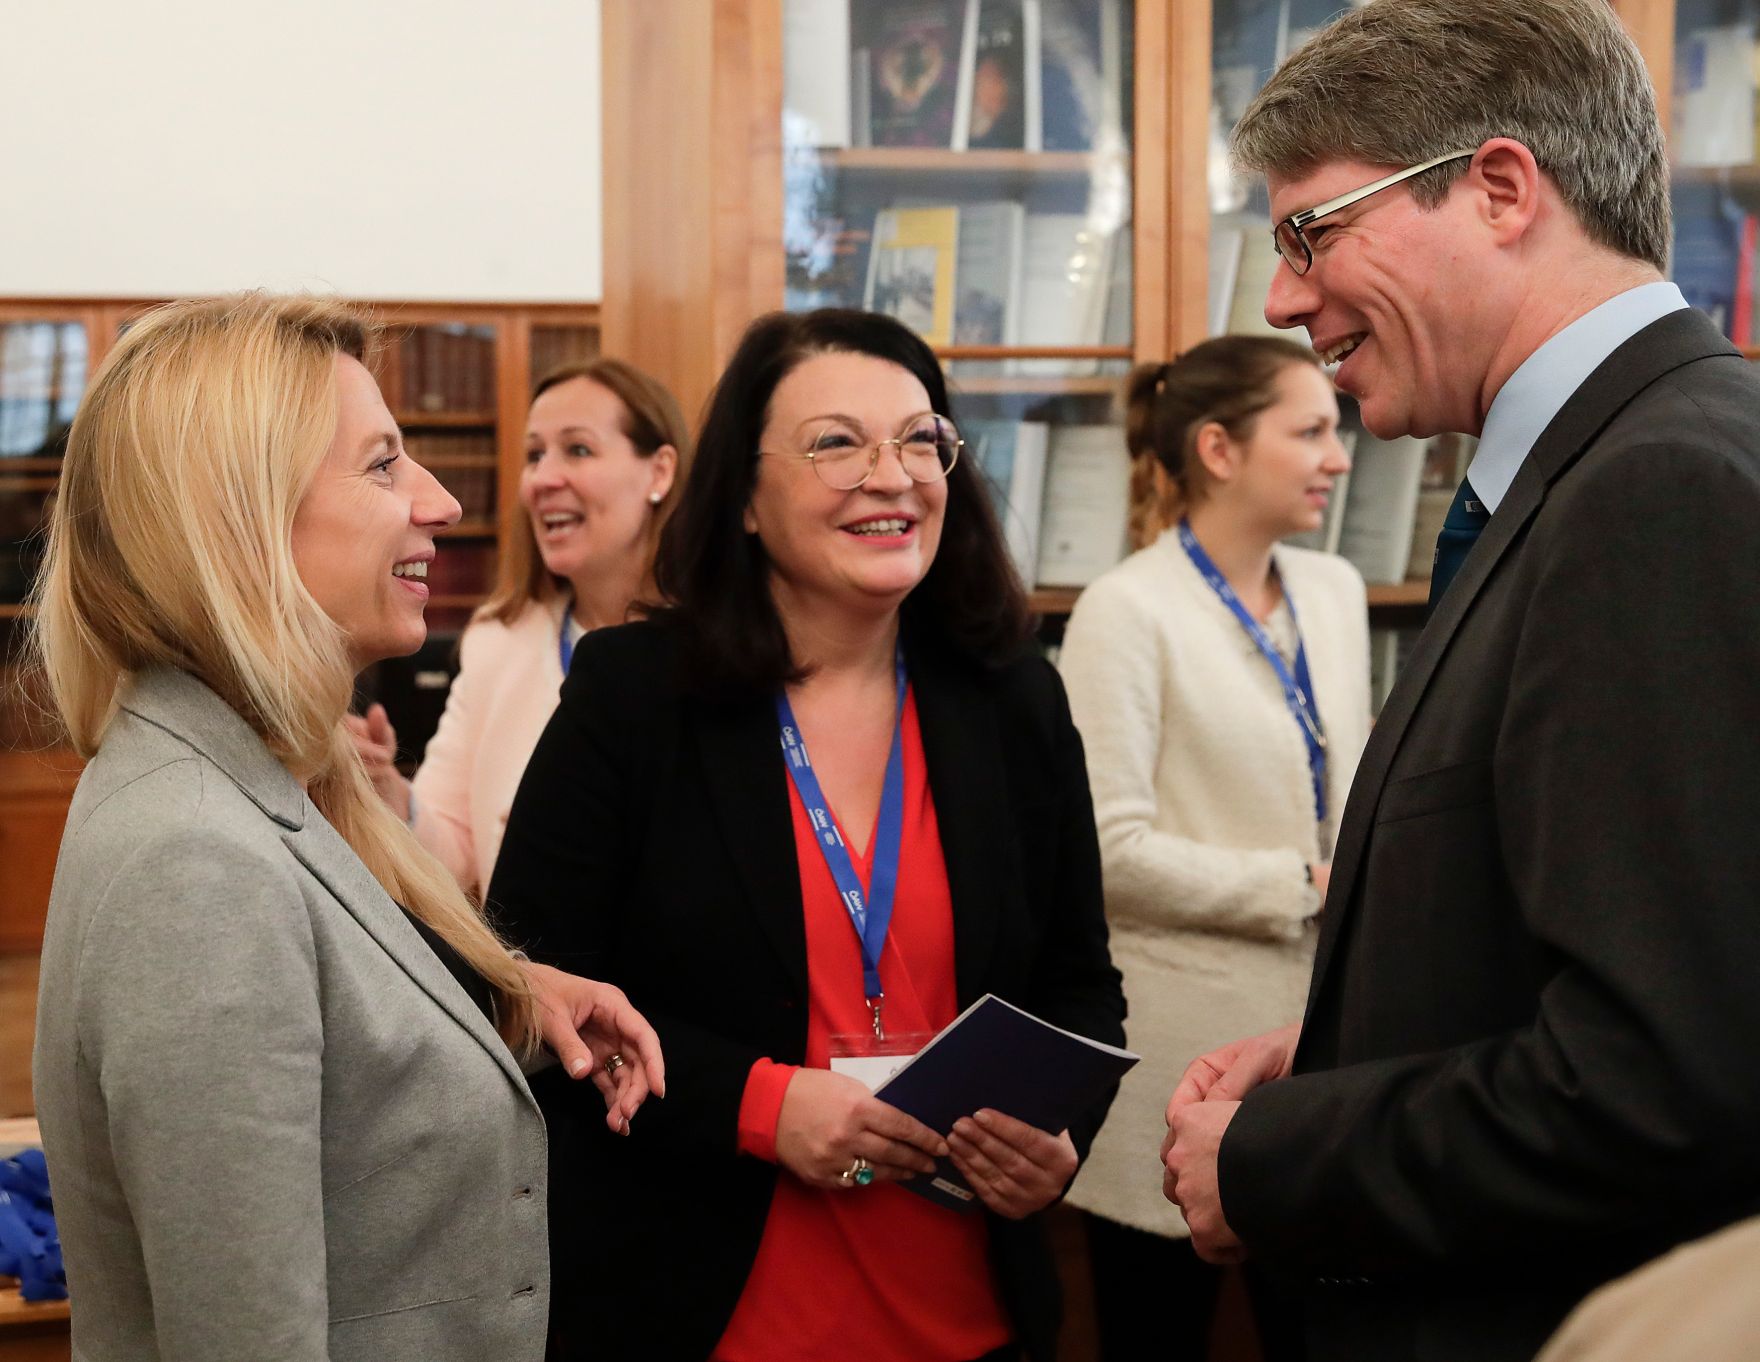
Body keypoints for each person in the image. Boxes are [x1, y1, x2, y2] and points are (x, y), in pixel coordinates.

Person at [1157, 3, 1760, 1360]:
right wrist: (1340, 1051)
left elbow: (1672, 1080)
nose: (1280, 298)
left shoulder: (1657, 489)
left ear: (1498, 189)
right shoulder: (1609, 466)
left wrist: (1281, 1153)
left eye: (1312, 231)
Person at [28, 294, 664, 1362]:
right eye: (381, 466)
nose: (443, 503)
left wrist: (505, 1002)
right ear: (235, 516)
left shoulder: (253, 782)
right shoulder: (198, 862)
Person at [486, 307, 1127, 1362]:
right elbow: (520, 986)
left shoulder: (1013, 699)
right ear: (741, 493)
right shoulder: (635, 696)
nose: (892, 474)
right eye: (837, 442)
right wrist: (757, 1105)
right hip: (704, 1305)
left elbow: (1078, 983)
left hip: (971, 1316)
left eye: (921, 440)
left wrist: (1057, 1139)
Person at [1058, 337, 1367, 1362]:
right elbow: (1105, 850)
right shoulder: (1126, 609)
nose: (1338, 455)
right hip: (1176, 1078)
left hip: (1319, 1066)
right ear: (1217, 449)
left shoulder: (1334, 592)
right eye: (1310, 430)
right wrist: (1303, 886)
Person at [348, 358, 689, 898]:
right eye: (535, 455)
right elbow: (456, 856)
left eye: (578, 449)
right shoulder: (497, 642)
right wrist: (389, 792)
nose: (543, 479)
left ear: (660, 471)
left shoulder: (726, 647)